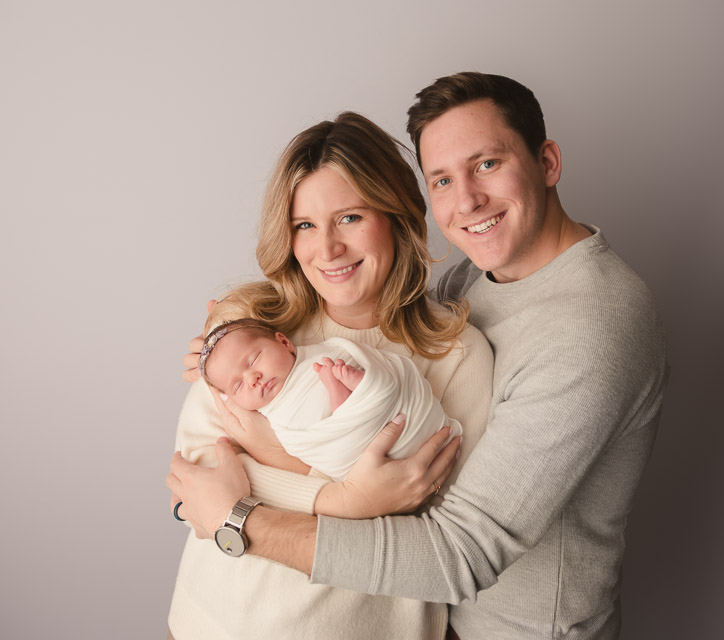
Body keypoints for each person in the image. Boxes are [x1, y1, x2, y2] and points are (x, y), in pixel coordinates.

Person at [168, 72, 669, 640]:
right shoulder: (466, 285)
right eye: (443, 180)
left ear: (548, 162)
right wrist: (337, 496)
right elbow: (193, 481)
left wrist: (248, 506)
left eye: (487, 164)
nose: (467, 201)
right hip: (207, 622)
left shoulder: (588, 327)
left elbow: (453, 544)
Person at [166, 111, 493, 640]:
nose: (327, 249)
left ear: (396, 215)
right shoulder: (246, 329)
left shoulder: (456, 355)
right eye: (305, 226)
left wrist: (263, 465)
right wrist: (350, 501)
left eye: (350, 218)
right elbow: (195, 478)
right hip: (211, 623)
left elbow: (441, 539)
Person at [198, 316, 463, 481]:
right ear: (229, 399)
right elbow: (200, 483)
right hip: (345, 450)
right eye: (238, 385)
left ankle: (363, 390)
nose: (252, 378)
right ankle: (350, 399)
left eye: (254, 359)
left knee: (349, 372)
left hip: (410, 424)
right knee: (333, 414)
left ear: (284, 342)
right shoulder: (264, 418)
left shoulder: (320, 356)